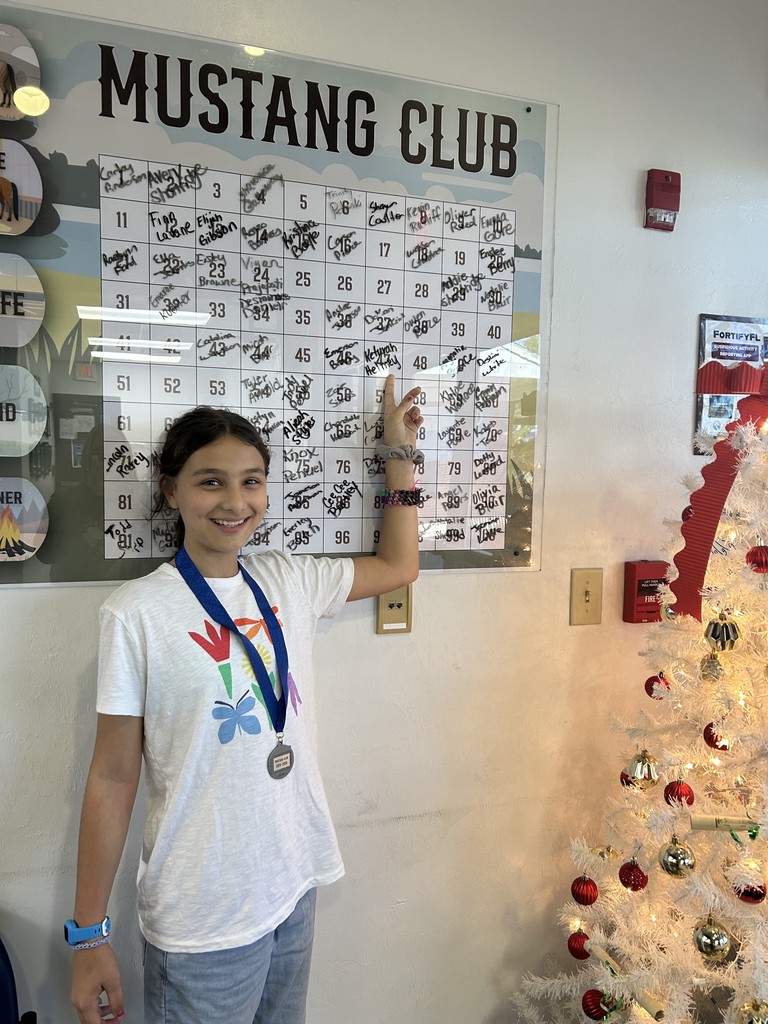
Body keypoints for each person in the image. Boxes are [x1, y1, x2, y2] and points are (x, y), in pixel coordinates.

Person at [69, 373, 423, 1024]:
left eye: (252, 480)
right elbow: (113, 777)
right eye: (211, 481)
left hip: (291, 891)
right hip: (202, 920)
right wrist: (87, 935)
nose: (235, 501)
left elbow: (399, 565)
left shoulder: (287, 577)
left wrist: (397, 455)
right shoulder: (135, 614)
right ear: (170, 491)